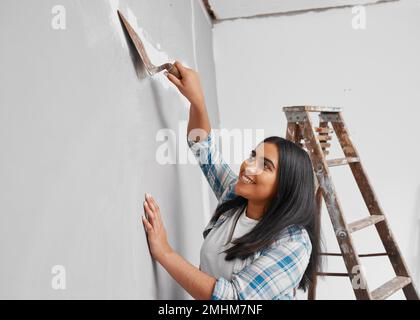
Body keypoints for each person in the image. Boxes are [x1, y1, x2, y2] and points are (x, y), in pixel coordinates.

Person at [141, 61, 321, 300]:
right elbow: (202, 147)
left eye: (265, 166)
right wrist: (197, 101)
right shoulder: (236, 195)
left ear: (285, 187)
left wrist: (165, 252)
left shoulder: (294, 242)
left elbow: (234, 299)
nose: (249, 166)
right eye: (252, 156)